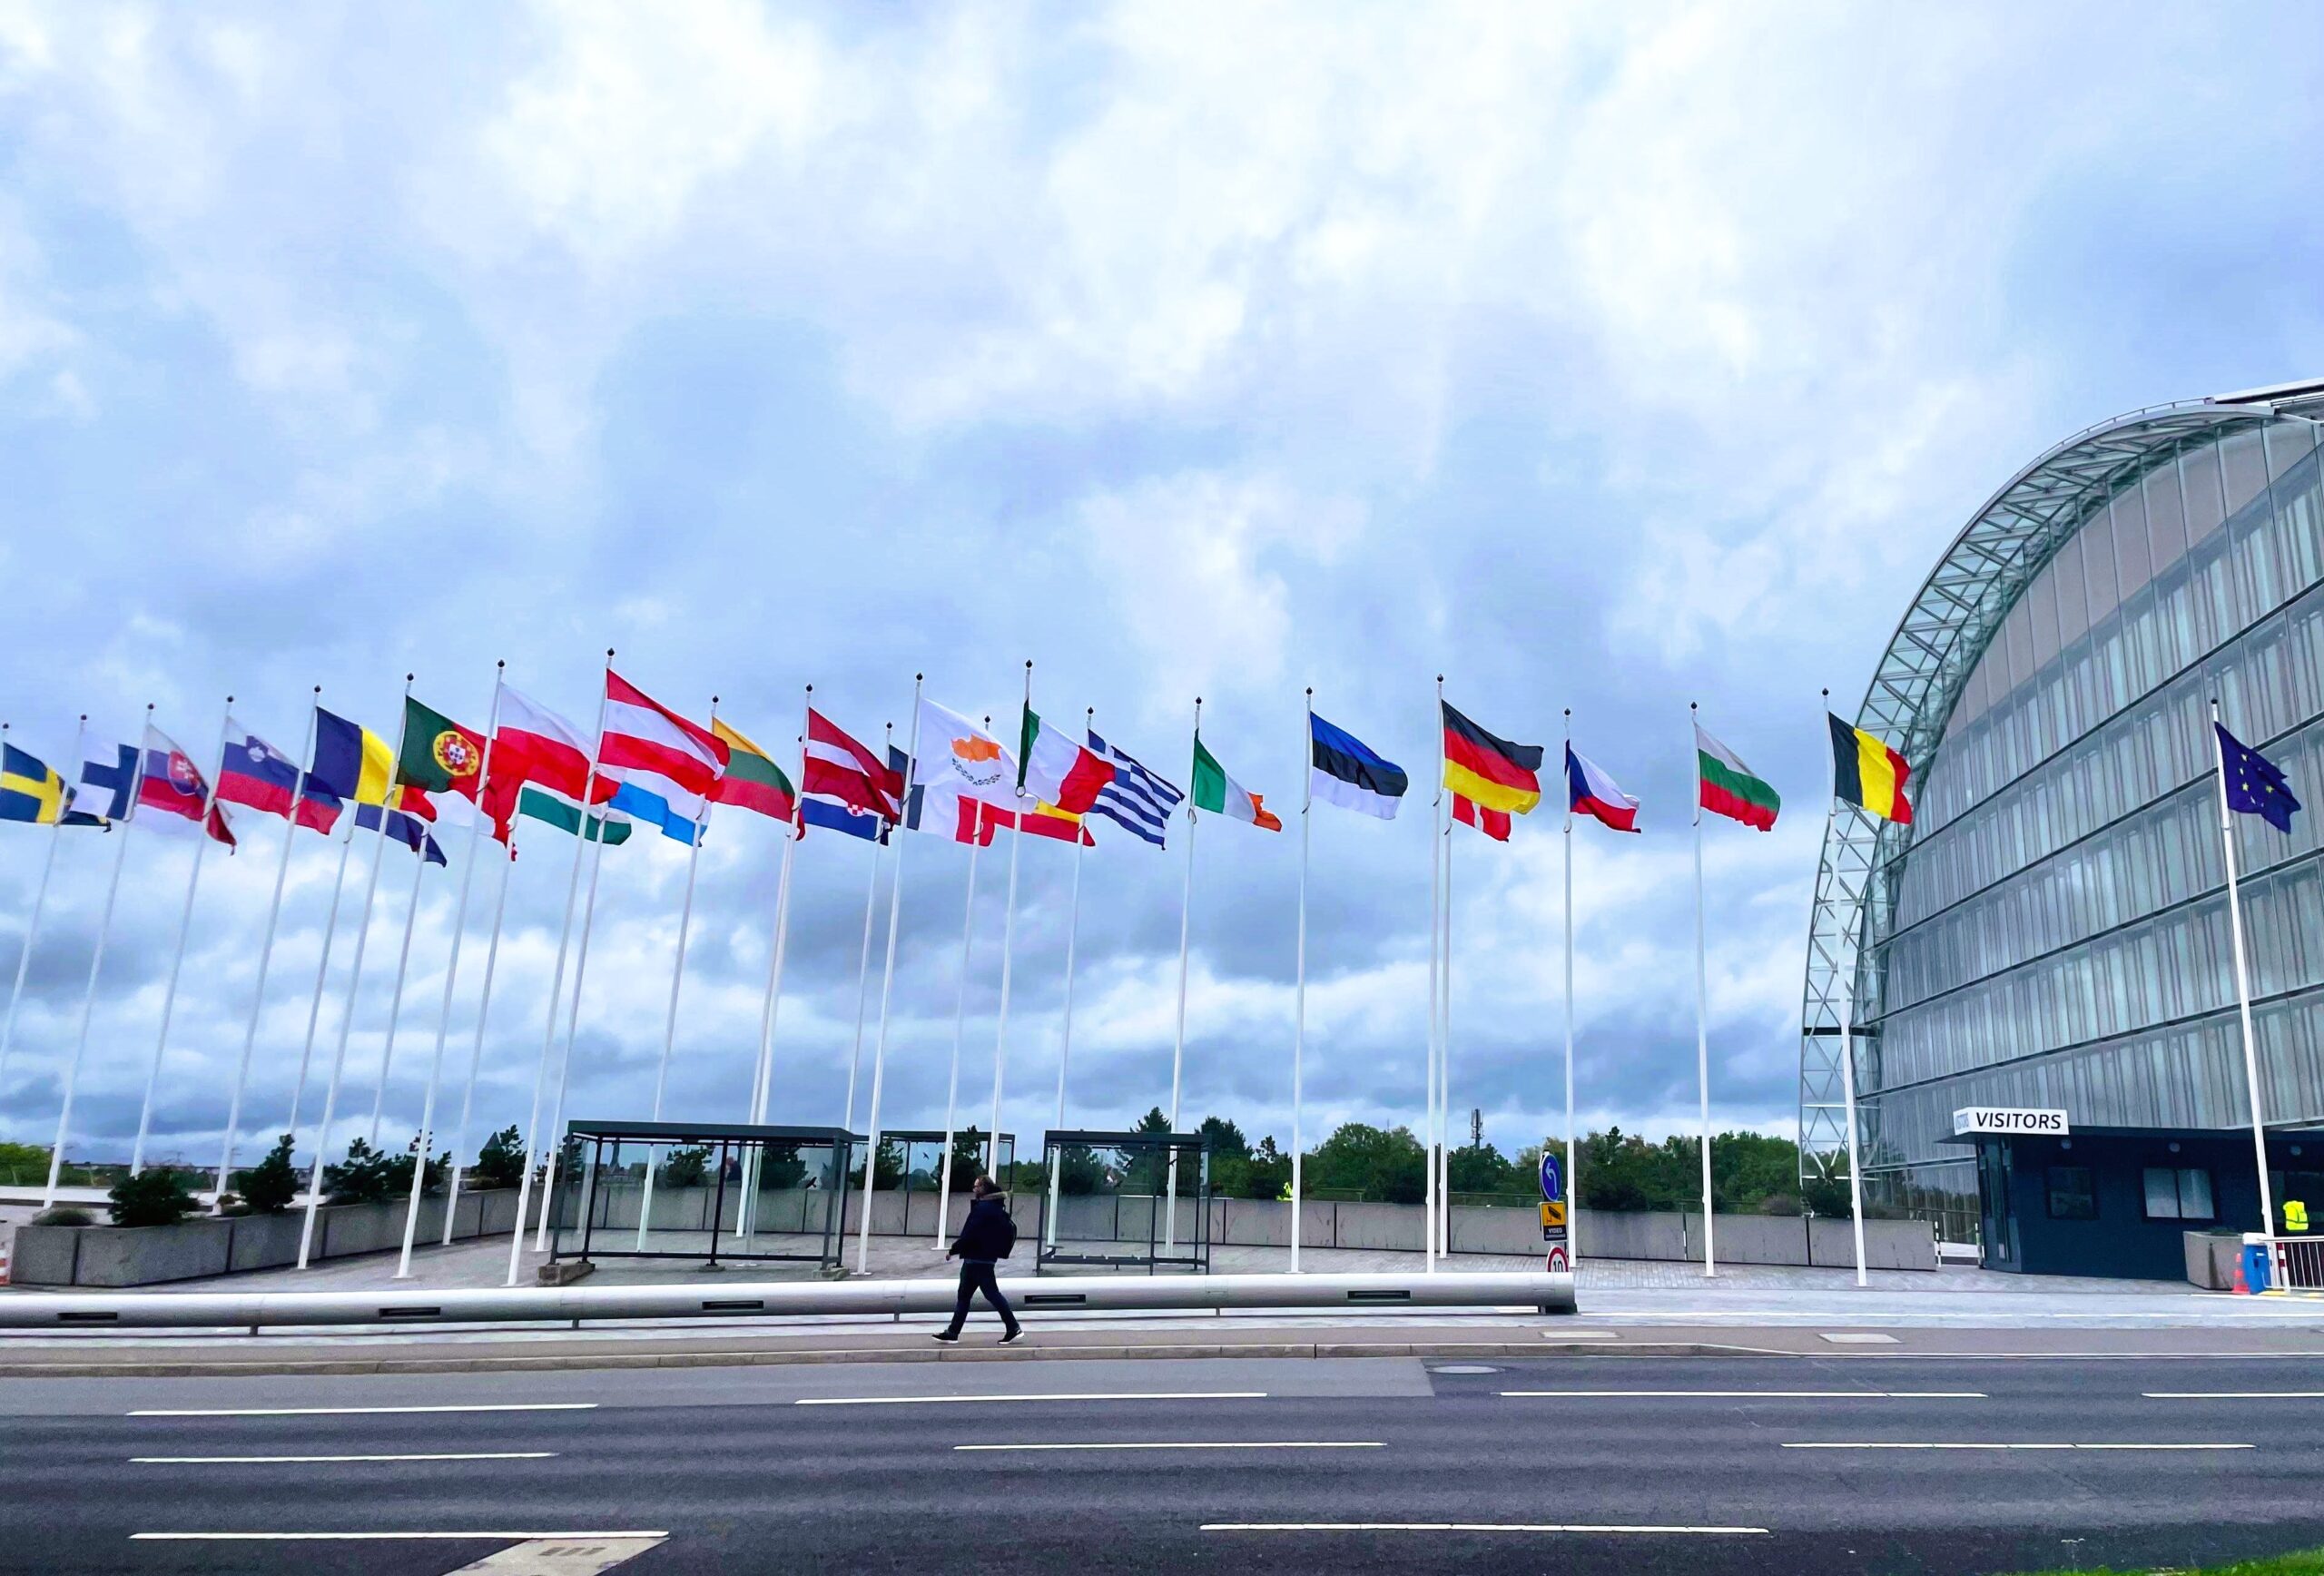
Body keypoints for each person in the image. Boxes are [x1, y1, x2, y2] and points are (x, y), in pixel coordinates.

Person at [934, 1175, 1023, 1345]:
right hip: (985, 1258)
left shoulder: (983, 1209)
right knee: (966, 1296)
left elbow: (970, 1233)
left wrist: (953, 1250)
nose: (974, 1189)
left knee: (989, 1294)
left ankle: (1013, 1328)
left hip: (976, 1259)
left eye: (976, 1186)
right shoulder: (997, 1208)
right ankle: (953, 1332)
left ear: (983, 1189)